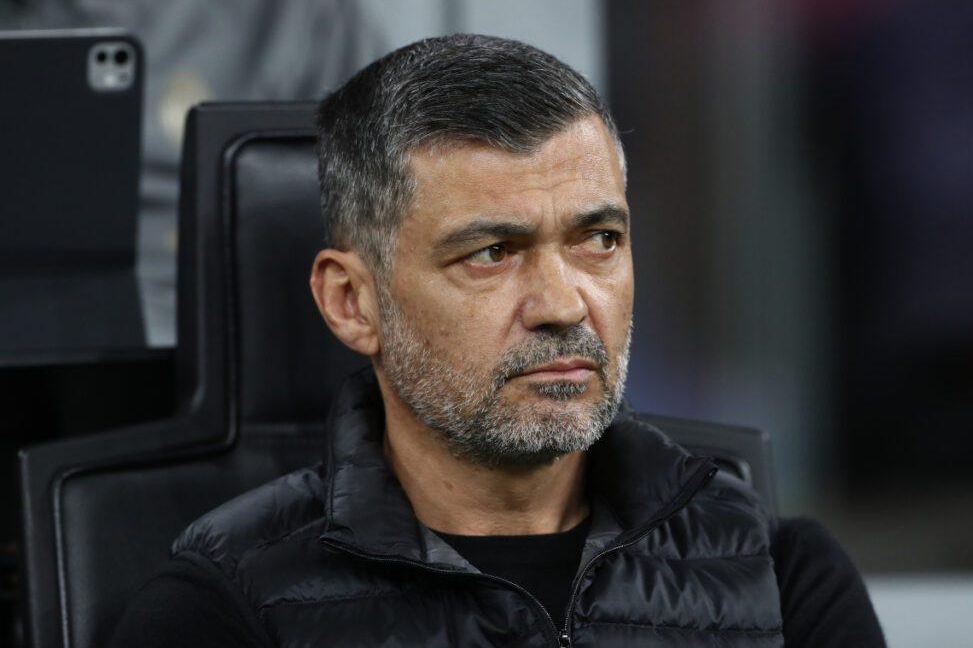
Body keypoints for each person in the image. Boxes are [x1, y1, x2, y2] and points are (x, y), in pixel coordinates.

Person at [112, 34, 886, 647]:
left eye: (600, 239)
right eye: (492, 252)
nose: (562, 305)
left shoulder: (783, 579)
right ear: (352, 302)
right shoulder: (225, 609)